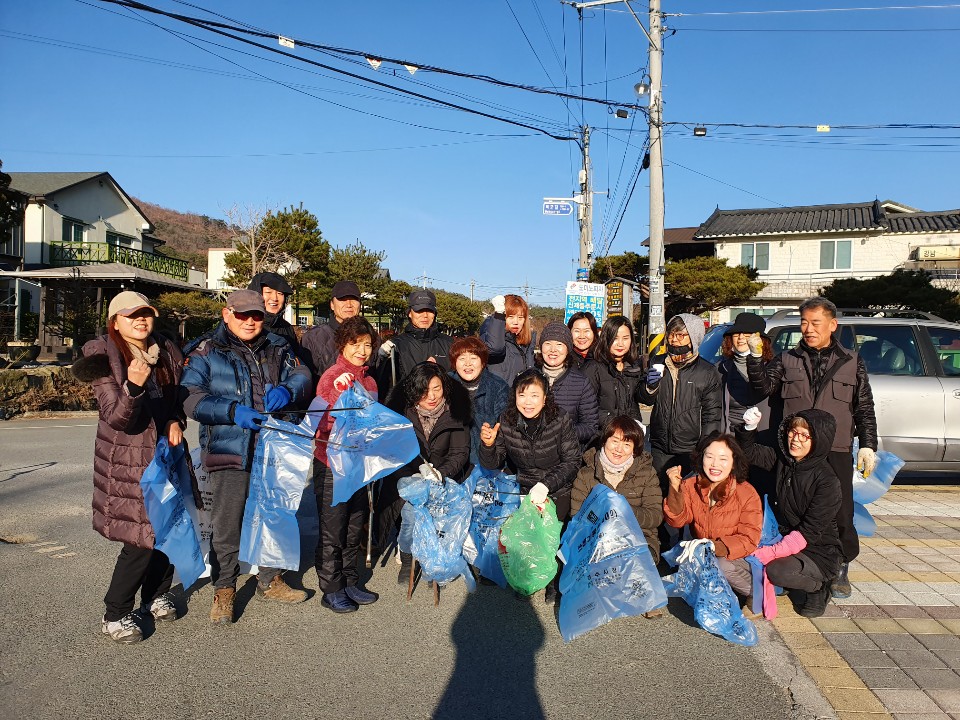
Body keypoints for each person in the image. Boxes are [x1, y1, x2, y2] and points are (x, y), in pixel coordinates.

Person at [181, 288, 313, 625]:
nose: (251, 321)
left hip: (274, 446)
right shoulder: (206, 350)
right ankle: (224, 589)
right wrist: (230, 411)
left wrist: (289, 389)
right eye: (242, 315)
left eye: (256, 315)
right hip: (229, 448)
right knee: (228, 522)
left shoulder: (277, 345)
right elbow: (189, 398)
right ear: (227, 314)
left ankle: (270, 579)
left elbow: (301, 374)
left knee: (274, 515)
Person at [72, 291, 188, 643]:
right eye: (131, 315)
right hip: (128, 457)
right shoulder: (104, 355)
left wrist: (175, 419)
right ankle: (115, 612)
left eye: (146, 314)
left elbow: (174, 399)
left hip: (163, 453)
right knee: (140, 538)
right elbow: (116, 418)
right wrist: (134, 386)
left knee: (167, 528)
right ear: (115, 322)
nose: (141, 320)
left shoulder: (164, 350)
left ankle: (155, 594)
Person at [745, 296, 878, 599]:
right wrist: (754, 359)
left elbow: (864, 408)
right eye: (804, 322)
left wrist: (869, 445)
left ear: (832, 325)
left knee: (842, 512)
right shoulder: (786, 358)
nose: (808, 328)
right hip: (797, 448)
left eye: (815, 323)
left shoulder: (852, 361)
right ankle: (791, 563)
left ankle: (841, 564)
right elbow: (762, 387)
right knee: (792, 507)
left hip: (837, 449)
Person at [479, 368, 581, 603]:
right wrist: (487, 445)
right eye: (522, 395)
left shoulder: (560, 419)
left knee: (554, 537)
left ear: (545, 398)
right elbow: (494, 462)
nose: (528, 402)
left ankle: (554, 582)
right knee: (527, 539)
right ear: (514, 397)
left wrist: (546, 485)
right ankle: (527, 578)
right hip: (524, 487)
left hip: (557, 487)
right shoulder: (507, 420)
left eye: (535, 395)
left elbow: (572, 461)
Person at [737, 407, 843, 618]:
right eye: (793, 432)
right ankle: (789, 576)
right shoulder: (783, 461)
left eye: (805, 435)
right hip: (782, 536)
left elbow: (810, 532)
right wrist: (749, 428)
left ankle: (818, 586)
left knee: (777, 571)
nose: (796, 439)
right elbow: (748, 453)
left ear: (819, 440)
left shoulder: (827, 481)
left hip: (817, 549)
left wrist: (773, 552)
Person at [312, 316, 381, 613]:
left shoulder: (370, 380)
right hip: (331, 463)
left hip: (358, 465)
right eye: (355, 344)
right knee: (333, 529)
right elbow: (319, 421)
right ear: (343, 344)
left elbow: (373, 420)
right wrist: (337, 395)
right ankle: (331, 587)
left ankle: (350, 579)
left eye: (367, 345)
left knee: (354, 526)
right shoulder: (332, 375)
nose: (362, 350)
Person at [381, 362, 472, 583]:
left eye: (436, 388)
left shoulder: (455, 411)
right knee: (411, 514)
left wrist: (440, 474)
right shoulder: (401, 413)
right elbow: (394, 453)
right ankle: (406, 554)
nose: (431, 396)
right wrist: (413, 479)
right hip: (410, 479)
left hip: (445, 478)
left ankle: (438, 556)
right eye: (424, 390)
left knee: (445, 515)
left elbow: (460, 452)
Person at [663, 432, 762, 599]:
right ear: (701, 458)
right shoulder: (690, 485)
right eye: (709, 457)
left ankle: (757, 593)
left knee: (722, 565)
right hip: (707, 552)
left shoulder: (746, 493)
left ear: (733, 463)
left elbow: (750, 539)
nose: (715, 464)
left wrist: (716, 547)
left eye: (723, 459)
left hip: (740, 557)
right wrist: (675, 488)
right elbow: (677, 521)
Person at [641, 313, 723, 494]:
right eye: (671, 334)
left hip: (690, 448)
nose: (674, 340)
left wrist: (704, 449)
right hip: (660, 445)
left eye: (681, 335)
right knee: (659, 491)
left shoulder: (707, 372)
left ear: (694, 338)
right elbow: (644, 399)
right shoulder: (657, 362)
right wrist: (650, 386)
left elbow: (712, 415)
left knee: (688, 494)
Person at [572, 416, 662, 564]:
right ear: (604, 441)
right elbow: (577, 517)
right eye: (614, 441)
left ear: (634, 449)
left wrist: (623, 509)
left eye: (627, 444)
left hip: (639, 537)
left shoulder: (646, 473)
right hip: (597, 539)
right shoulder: (586, 475)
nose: (619, 449)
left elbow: (655, 516)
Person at [448, 336, 510, 466]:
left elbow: (505, 428)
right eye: (462, 358)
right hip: (453, 462)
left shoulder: (498, 386)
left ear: (483, 362)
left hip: (489, 459)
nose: (468, 363)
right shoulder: (446, 385)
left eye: (474, 358)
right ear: (454, 363)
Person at [378, 289, 454, 395]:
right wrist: (381, 360)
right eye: (419, 310)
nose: (425, 315)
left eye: (429, 310)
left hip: (443, 409)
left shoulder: (450, 344)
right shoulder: (395, 345)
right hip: (406, 409)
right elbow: (384, 388)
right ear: (409, 313)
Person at [537, 322, 599, 449]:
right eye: (548, 344)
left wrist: (561, 432)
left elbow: (590, 426)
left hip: (567, 455)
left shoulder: (581, 382)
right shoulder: (526, 378)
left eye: (559, 344)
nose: (553, 350)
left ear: (568, 349)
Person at [582, 315, 646, 430]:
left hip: (627, 435)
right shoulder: (593, 367)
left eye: (625, 338)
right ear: (606, 339)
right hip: (601, 436)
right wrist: (615, 425)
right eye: (615, 338)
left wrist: (650, 387)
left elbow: (635, 402)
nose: (620, 344)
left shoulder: (633, 366)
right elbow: (587, 408)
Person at [301, 280, 373, 378]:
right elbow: (306, 379)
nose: (349, 304)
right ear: (332, 304)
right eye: (342, 299)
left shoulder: (371, 337)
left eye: (353, 299)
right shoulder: (313, 338)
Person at [717, 312, 773, 434]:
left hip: (762, 435)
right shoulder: (721, 369)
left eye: (747, 334)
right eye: (736, 333)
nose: (741, 337)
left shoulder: (772, 367)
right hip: (730, 436)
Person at [479, 294, 536, 385]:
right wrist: (499, 315)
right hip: (498, 397)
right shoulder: (490, 337)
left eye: (520, 318)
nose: (516, 322)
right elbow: (494, 348)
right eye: (510, 317)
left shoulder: (526, 343)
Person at [247, 271, 299, 350]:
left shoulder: (287, 328)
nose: (275, 298)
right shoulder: (245, 325)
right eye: (268, 292)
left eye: (280, 293)